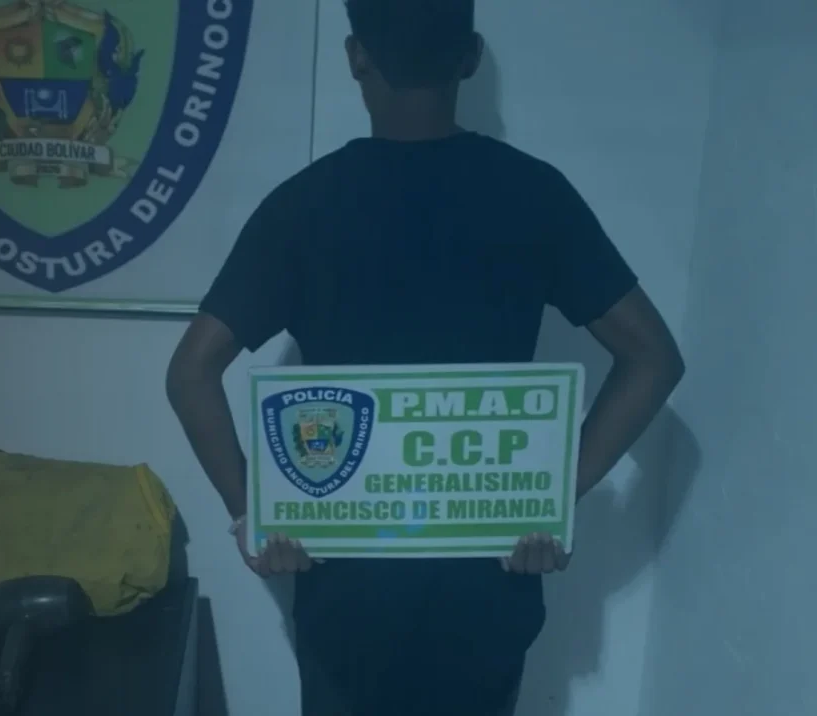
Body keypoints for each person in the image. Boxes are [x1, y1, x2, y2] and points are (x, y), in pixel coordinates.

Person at [165, 0, 686, 713]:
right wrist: (555, 494)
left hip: (348, 606)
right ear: (470, 57)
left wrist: (249, 512)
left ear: (356, 56)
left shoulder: (304, 205)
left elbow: (190, 372)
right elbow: (654, 357)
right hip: (486, 602)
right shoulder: (534, 195)